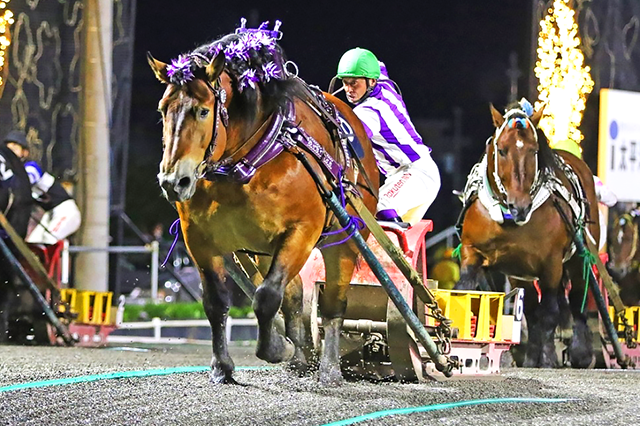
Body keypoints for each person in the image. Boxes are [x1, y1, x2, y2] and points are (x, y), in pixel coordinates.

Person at [335, 48, 441, 228]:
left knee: (381, 207)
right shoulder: (383, 83)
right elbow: (379, 65)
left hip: (417, 173)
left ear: (371, 81)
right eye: (345, 83)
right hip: (403, 175)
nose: (348, 89)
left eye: (354, 83)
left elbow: (349, 142)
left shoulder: (369, 112)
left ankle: (391, 253)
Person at [3, 130, 81, 245]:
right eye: (8, 149)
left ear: (24, 152)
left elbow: (24, 182)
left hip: (66, 212)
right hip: (48, 214)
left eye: (15, 148)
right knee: (32, 244)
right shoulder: (13, 172)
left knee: (47, 240)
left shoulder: (31, 167)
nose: (11, 152)